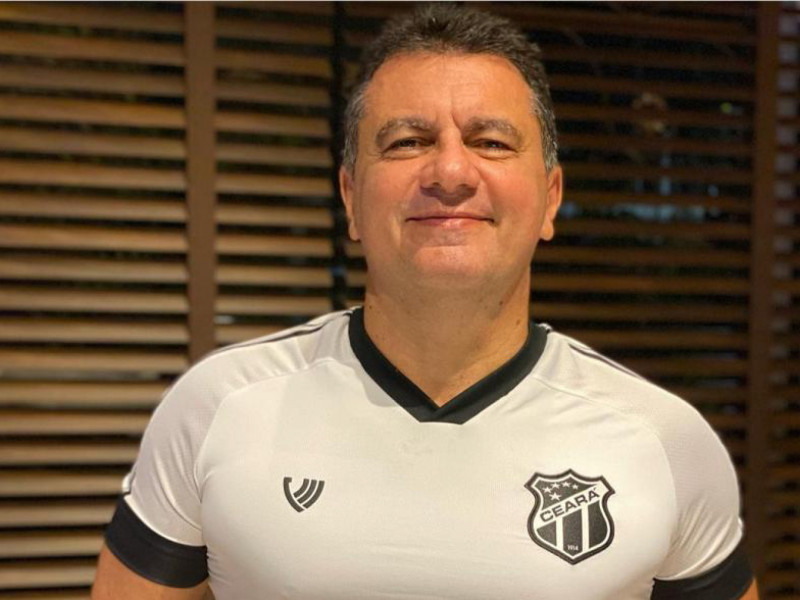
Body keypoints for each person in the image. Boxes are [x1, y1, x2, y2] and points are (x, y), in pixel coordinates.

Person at [91, 4, 758, 599]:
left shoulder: (666, 442)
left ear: (550, 197)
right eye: (408, 142)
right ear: (351, 197)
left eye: (491, 142)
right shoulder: (216, 408)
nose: (450, 172)